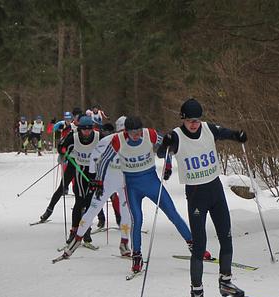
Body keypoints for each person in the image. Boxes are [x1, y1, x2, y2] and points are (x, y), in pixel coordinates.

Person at [157, 98, 248, 297]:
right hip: (196, 193)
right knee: (199, 245)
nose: (194, 124)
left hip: (215, 190)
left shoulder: (208, 129)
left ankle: (225, 283)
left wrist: (238, 136)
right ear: (183, 120)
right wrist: (166, 143)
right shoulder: (177, 136)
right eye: (190, 121)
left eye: (197, 120)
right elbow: (161, 153)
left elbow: (226, 133)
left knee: (226, 236)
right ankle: (196, 290)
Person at [94, 116, 193, 273]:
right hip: (132, 187)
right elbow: (104, 160)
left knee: (172, 213)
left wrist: (168, 165)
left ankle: (192, 244)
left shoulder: (150, 134)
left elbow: (167, 146)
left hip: (152, 182)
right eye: (133, 132)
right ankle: (137, 256)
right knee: (137, 220)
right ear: (126, 131)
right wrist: (99, 182)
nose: (136, 135)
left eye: (139, 131)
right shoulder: (118, 140)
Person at [60, 116, 133, 258]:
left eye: (128, 130)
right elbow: (94, 156)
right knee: (92, 209)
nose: (126, 134)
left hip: (125, 182)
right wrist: (95, 177)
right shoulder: (108, 140)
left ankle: (124, 243)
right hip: (106, 182)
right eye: (123, 130)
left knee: (126, 212)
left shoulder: (135, 140)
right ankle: (77, 239)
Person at [56, 116, 102, 246]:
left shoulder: (99, 136)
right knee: (80, 201)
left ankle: (86, 231)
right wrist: (64, 152)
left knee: (91, 202)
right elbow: (61, 146)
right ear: (80, 129)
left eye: (89, 129)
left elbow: (110, 147)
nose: (87, 132)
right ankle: (74, 231)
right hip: (80, 170)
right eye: (84, 130)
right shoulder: (74, 136)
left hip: (94, 172)